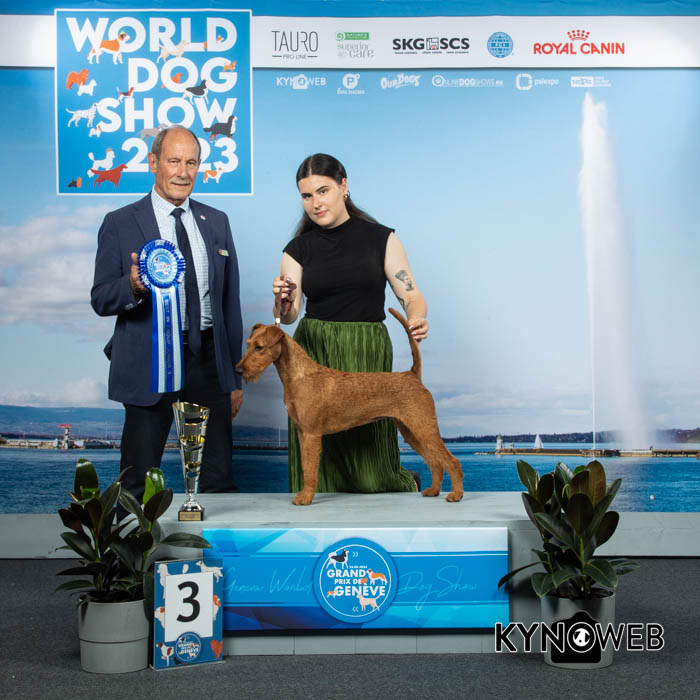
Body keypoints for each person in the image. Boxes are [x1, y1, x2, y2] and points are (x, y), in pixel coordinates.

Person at [91, 126, 243, 500]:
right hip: (150, 363)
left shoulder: (217, 220)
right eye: (174, 161)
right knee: (136, 481)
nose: (183, 172)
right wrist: (133, 286)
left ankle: (216, 541)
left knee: (219, 478)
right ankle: (134, 542)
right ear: (153, 162)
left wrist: (234, 377)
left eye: (192, 163)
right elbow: (101, 298)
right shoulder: (120, 222)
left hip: (209, 363)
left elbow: (229, 304)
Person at [272, 153, 429, 494]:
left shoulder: (382, 239)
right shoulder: (296, 249)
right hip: (315, 351)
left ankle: (406, 479)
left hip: (366, 349)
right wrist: (282, 302)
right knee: (320, 471)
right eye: (306, 196)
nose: (315, 203)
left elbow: (411, 294)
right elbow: (289, 314)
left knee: (372, 476)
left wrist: (416, 316)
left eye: (323, 191)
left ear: (344, 186)